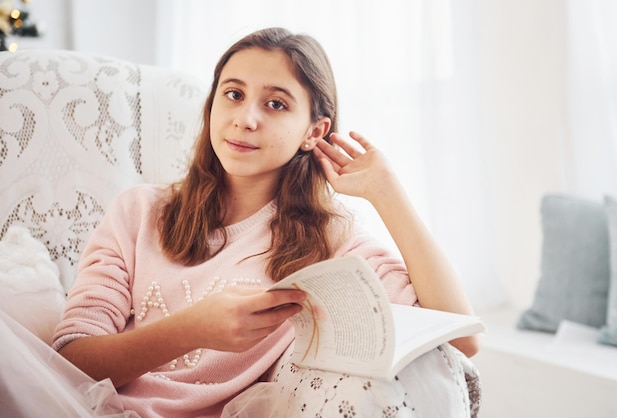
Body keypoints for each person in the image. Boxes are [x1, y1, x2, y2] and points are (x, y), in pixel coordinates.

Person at [45, 27, 479, 417]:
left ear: (314, 132)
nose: (245, 119)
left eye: (275, 104)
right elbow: (70, 361)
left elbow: (460, 342)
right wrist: (193, 329)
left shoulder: (329, 243)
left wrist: (388, 193)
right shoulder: (139, 212)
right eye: (233, 94)